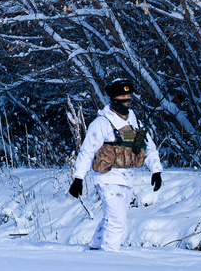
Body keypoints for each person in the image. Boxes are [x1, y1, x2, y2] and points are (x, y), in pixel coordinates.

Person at [69, 75, 163, 251]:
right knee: (118, 222)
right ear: (113, 99)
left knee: (112, 218)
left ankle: (96, 247)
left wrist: (156, 171)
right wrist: (78, 178)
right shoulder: (102, 123)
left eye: (128, 96)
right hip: (107, 178)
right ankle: (110, 258)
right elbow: (87, 151)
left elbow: (148, 146)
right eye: (121, 97)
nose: (126, 100)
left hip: (127, 177)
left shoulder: (135, 123)